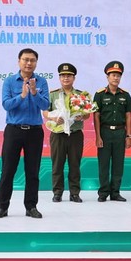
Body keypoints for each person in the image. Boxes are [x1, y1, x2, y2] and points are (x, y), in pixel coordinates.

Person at [0, 48, 50, 218]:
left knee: (33, 171)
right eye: (25, 59)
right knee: (8, 170)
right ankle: (2, 207)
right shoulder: (10, 81)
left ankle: (31, 207)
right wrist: (23, 95)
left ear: (36, 63)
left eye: (32, 60)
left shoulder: (41, 82)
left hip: (34, 132)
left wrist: (34, 92)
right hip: (14, 131)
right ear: (19, 61)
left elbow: (45, 105)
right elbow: (6, 105)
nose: (28, 63)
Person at [45, 62, 90, 203]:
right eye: (63, 76)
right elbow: (45, 111)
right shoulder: (52, 95)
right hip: (58, 134)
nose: (66, 78)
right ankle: (57, 193)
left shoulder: (80, 95)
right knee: (57, 164)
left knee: (75, 164)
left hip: (75, 133)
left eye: (69, 76)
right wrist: (53, 117)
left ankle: (74, 193)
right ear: (59, 78)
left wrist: (82, 116)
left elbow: (88, 113)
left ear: (74, 78)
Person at [93, 61, 131, 202]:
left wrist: (129, 135)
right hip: (104, 132)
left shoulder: (125, 95)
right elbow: (96, 116)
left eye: (118, 76)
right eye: (113, 75)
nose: (116, 78)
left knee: (118, 163)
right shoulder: (99, 95)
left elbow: (128, 116)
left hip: (120, 133)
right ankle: (103, 192)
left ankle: (115, 192)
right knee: (103, 163)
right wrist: (98, 136)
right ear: (107, 77)